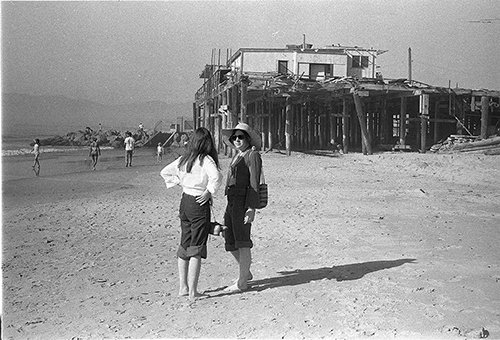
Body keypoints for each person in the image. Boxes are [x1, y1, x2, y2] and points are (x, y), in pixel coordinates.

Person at [160, 127, 223, 300]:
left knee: (185, 243)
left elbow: (165, 172)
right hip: (198, 203)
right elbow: (216, 176)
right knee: (197, 246)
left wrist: (181, 183)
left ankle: (183, 287)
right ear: (207, 142)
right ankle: (193, 291)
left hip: (185, 201)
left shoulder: (184, 159)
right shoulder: (205, 159)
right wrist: (209, 191)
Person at [220, 122, 263, 293]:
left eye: (240, 137)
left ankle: (242, 282)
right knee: (230, 240)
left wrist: (252, 208)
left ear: (247, 139)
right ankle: (246, 273)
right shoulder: (237, 156)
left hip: (243, 201)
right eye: (234, 137)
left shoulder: (252, 155)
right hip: (231, 201)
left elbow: (254, 183)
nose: (237, 140)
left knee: (243, 241)